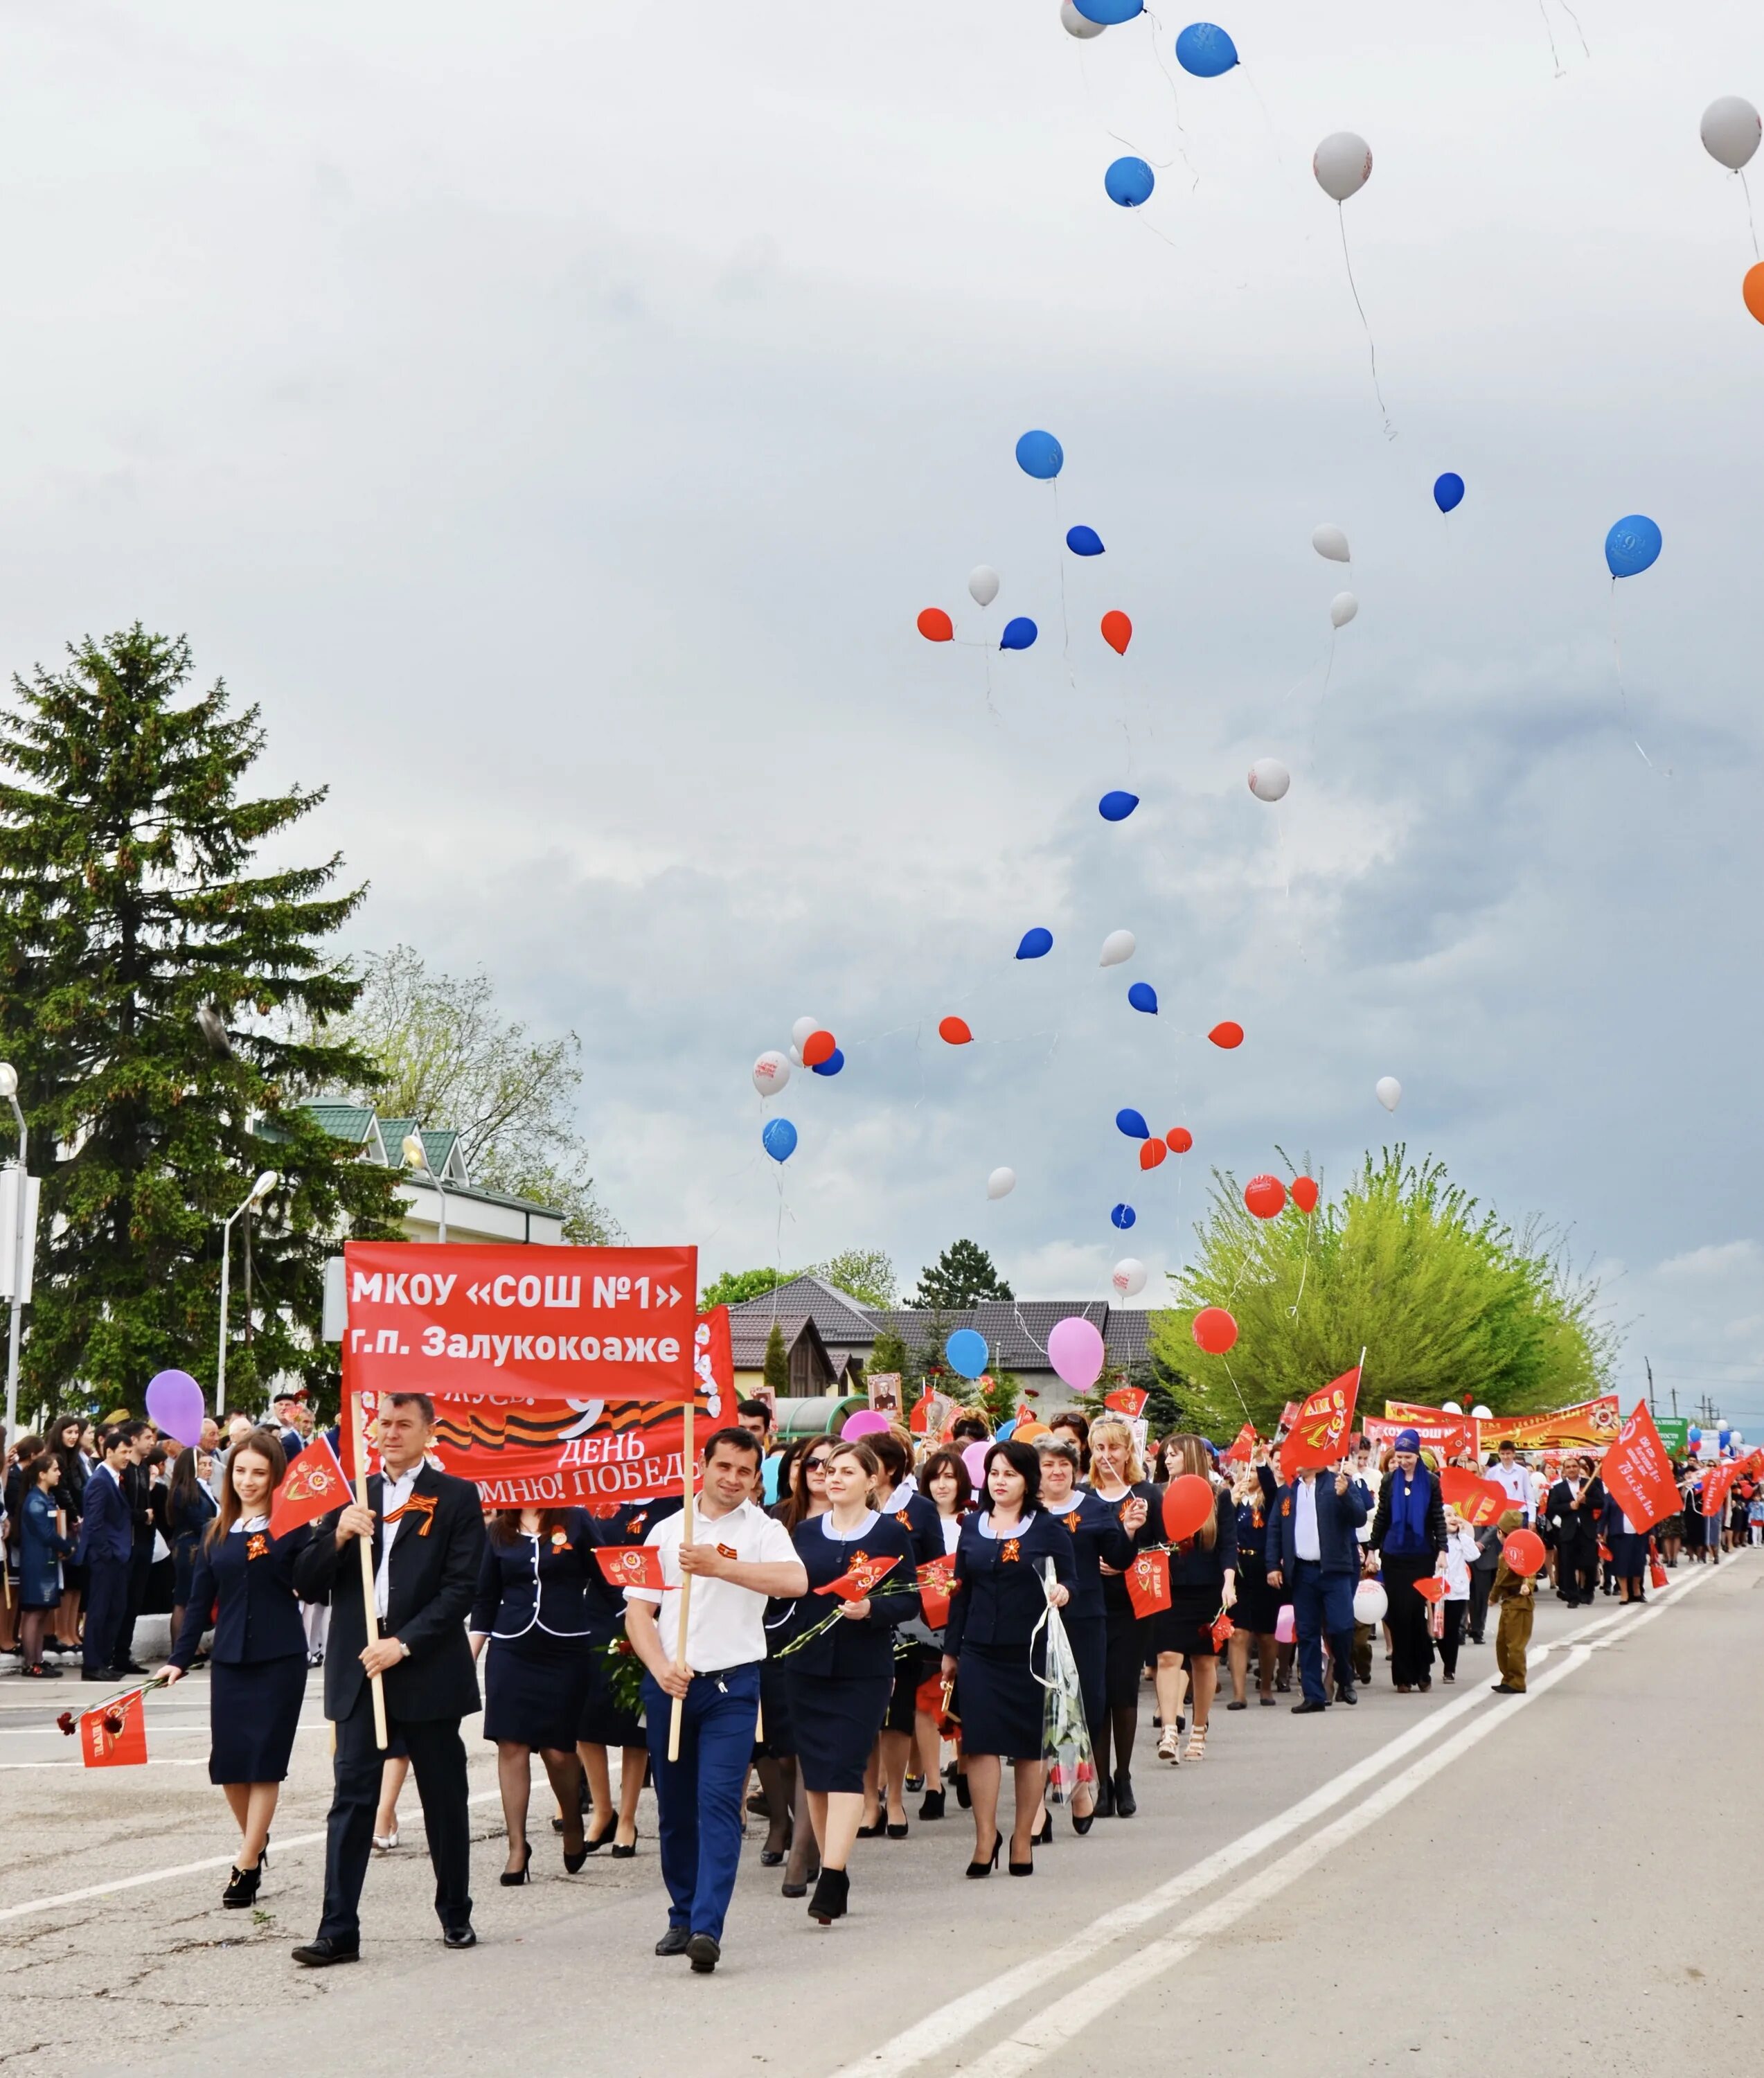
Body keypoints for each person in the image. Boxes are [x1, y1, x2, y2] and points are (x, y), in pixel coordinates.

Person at [290, 1391, 488, 1967]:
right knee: (350, 1801)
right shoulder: (353, 1494)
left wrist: (403, 1644)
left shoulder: (455, 1497)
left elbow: (460, 1589)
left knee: (443, 1799)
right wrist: (339, 1536)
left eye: (405, 1424)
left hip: (422, 1667)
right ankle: (338, 1930)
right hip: (359, 1674)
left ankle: (455, 1913)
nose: (392, 1433)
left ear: (430, 1432)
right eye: (384, 1423)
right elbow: (305, 1580)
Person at [624, 1426, 807, 1975]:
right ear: (702, 1466)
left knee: (718, 1804)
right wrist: (659, 1668)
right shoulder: (666, 1529)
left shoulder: (763, 1530)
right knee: (676, 1810)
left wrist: (720, 1565)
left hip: (733, 1687)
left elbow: (795, 1582)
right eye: (723, 1467)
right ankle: (681, 1914)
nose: (732, 1480)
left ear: (757, 1478)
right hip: (673, 1687)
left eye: (744, 1472)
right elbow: (638, 1614)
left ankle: (708, 1926)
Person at [161, 1429, 310, 1906]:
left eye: (259, 1473)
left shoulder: (292, 1529)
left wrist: (334, 1535)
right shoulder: (216, 1531)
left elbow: (311, 1580)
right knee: (228, 1765)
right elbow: (198, 1600)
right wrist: (178, 1660)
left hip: (280, 1657)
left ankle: (246, 1864)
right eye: (241, 1471)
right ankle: (257, 1839)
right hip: (228, 1660)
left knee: (263, 1762)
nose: (248, 1481)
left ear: (274, 1478)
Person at [782, 1438, 920, 1926]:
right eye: (825, 1469)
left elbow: (910, 1600)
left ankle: (833, 1874)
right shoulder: (804, 1533)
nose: (832, 1476)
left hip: (863, 1669)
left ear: (869, 1479)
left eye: (844, 1470)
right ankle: (830, 1866)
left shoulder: (888, 1533)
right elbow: (787, 1595)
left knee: (843, 1768)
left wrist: (871, 1609)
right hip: (806, 1668)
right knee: (817, 1775)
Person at [940, 1439, 1076, 1879]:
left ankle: (1021, 1836)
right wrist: (951, 1651)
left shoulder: (1047, 1528)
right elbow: (960, 1593)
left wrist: (1063, 1591)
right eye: (994, 1473)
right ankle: (985, 1837)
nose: (1000, 1481)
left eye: (1010, 1474)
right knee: (979, 1745)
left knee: (1027, 1748)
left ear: (1027, 1481)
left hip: (1030, 1653)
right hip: (979, 1650)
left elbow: (1072, 1578)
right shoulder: (973, 1526)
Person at [469, 1503, 598, 1882]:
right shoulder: (498, 1530)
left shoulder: (576, 1519)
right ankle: (516, 1847)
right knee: (511, 1745)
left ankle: (571, 1820)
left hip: (566, 1648)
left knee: (559, 1753)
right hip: (511, 1647)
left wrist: (633, 1630)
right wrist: (471, 1651)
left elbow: (605, 1577)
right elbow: (485, 1597)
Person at [1033, 1435, 1138, 1827]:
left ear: (1075, 1471)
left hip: (1084, 1620)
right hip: (1034, 1625)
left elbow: (1119, 1559)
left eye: (1064, 1464)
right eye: (1048, 1465)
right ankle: (1038, 1803)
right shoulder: (1024, 1512)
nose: (1057, 1472)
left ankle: (1079, 1788)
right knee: (1040, 1708)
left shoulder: (1093, 1509)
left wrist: (1127, 1532)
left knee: (1086, 1705)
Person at [579, 1495, 671, 1860]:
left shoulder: (669, 1502)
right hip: (595, 1613)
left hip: (648, 1612)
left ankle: (628, 1819)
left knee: (635, 1721)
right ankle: (603, 1810)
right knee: (586, 1717)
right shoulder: (597, 1498)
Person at [863, 1427, 941, 1839]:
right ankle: (867, 1802)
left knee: (896, 1717)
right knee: (865, 1720)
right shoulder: (850, 1508)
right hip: (856, 1620)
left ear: (889, 1468)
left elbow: (934, 1569)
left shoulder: (921, 1509)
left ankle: (893, 1799)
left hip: (905, 1625)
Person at [1083, 1416, 1159, 1814]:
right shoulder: (1083, 1497)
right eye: (1100, 1448)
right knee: (1096, 1695)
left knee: (1122, 1692)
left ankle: (1124, 1775)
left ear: (1128, 1450)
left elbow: (1168, 1551)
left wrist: (1128, 1561)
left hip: (1132, 1608)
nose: (1107, 1455)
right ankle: (1100, 1783)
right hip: (1090, 1608)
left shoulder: (1147, 1495)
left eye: (1114, 1447)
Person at [1150, 1434, 1236, 1762]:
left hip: (1207, 1589)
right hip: (1170, 1588)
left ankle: (1199, 1728)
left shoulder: (1218, 1497)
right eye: (1165, 1455)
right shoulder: (1157, 1495)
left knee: (1203, 1660)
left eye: (1173, 1455)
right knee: (1167, 1657)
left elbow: (1228, 1545)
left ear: (1191, 1457)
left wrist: (1229, 1583)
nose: (1167, 1460)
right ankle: (1169, 1729)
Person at [1264, 1453, 1368, 1713]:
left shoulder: (1338, 1483)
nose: (1296, 1459)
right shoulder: (1288, 1491)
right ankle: (1313, 1695)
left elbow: (1360, 1518)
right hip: (1303, 1572)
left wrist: (1345, 1495)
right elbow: (1275, 1529)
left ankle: (1345, 1676)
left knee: (1341, 1627)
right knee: (1307, 1633)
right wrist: (1273, 1566)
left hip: (1335, 1570)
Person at [912, 1446, 971, 1820]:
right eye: (935, 1476)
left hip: (966, 1618)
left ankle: (964, 1766)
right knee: (924, 1700)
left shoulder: (977, 1520)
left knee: (964, 1697)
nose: (942, 1484)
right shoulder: (917, 1518)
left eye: (950, 1476)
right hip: (926, 1620)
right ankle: (933, 1785)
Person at [1369, 1431, 1447, 1694]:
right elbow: (1382, 1516)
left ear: (1418, 1455)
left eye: (1408, 1457)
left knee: (1415, 1611)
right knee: (1399, 1615)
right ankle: (1402, 1675)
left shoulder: (1432, 1482)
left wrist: (1443, 1550)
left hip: (1422, 1555)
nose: (1403, 1461)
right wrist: (1371, 1549)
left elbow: (1438, 1517)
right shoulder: (1390, 1481)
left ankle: (1422, 1670)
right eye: (1399, 1457)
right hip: (1394, 1554)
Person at [73, 1428, 136, 1680]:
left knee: (115, 1609)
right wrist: (107, 1552)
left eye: (130, 1452)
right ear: (108, 1451)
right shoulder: (100, 1480)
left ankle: (104, 1660)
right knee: (99, 1610)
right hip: (106, 1557)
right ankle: (92, 1664)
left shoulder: (114, 1478)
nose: (127, 1457)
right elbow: (95, 1522)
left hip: (118, 1556)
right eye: (123, 1452)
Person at [1224, 1454, 1281, 1710]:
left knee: (1266, 1636)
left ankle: (1266, 1686)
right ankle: (1238, 1694)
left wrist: (1261, 1462)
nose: (1248, 1476)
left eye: (1253, 1472)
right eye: (1243, 1470)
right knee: (1238, 1634)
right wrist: (1232, 1502)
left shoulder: (1268, 1500)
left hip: (1263, 1568)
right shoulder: (1231, 1499)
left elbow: (1270, 1486)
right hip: (1237, 1569)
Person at [16, 1451, 74, 1677]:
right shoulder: (35, 1501)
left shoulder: (46, 1498)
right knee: (34, 1612)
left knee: (42, 1613)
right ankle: (30, 1663)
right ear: (42, 1474)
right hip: (36, 1564)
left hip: (46, 1562)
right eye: (55, 1470)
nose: (59, 1473)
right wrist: (66, 1546)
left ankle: (38, 1658)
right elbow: (46, 1533)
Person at [164, 1444, 220, 1651]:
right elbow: (198, 1520)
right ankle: (179, 1647)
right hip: (189, 1548)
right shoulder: (183, 1490)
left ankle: (190, 1645)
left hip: (199, 1545)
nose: (208, 1468)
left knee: (193, 1598)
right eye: (203, 1464)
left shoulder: (202, 1488)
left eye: (209, 1464)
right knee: (183, 1598)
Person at [114, 1420, 158, 1673]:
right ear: (133, 1440)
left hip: (144, 1542)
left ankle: (124, 1653)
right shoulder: (126, 1470)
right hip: (128, 1542)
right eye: (147, 1437)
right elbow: (122, 1509)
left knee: (135, 1602)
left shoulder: (144, 1469)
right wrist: (143, 1516)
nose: (152, 1442)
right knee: (122, 1600)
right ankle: (114, 1652)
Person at [48, 1417, 88, 1656]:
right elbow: (63, 1492)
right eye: (69, 1432)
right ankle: (62, 1632)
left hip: (81, 1524)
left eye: (76, 1432)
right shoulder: (57, 1457)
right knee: (69, 1582)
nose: (73, 1436)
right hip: (68, 1522)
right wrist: (76, 1516)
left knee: (78, 1584)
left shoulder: (77, 1460)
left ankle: (72, 1632)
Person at [1544, 1457, 1603, 1607]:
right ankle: (1572, 1596)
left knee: (1590, 1563)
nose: (1571, 1469)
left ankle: (1588, 1592)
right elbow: (1552, 1508)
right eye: (1568, 1467)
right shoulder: (1558, 1489)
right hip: (1568, 1531)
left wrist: (1585, 1502)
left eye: (1574, 1466)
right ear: (1564, 1470)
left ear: (1579, 1468)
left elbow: (1601, 1502)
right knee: (1568, 1565)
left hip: (1587, 1530)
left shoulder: (1588, 1485)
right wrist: (1569, 1506)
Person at [1488, 1511, 1535, 1694]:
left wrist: (1528, 1586)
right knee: (1502, 1644)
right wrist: (1494, 1597)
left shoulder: (1524, 1552)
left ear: (1500, 1532)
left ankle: (1517, 1681)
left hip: (1520, 1604)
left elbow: (1530, 1572)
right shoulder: (1505, 1554)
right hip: (1508, 1603)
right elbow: (1500, 1580)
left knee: (1515, 1645)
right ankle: (1508, 1677)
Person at [1434, 1508, 1479, 1683]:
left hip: (1458, 1591)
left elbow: (1473, 1555)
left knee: (1452, 1630)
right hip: (1438, 1591)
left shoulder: (1462, 1539)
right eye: (1447, 1515)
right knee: (1440, 1631)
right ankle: (1446, 1659)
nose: (1453, 1518)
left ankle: (1449, 1668)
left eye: (1454, 1515)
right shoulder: (1434, 1539)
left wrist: (1463, 1535)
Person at [1487, 1438, 1534, 1524]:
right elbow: (1488, 1495)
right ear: (1499, 1455)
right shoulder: (1492, 1472)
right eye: (1503, 1454)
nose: (1505, 1457)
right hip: (1500, 1514)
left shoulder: (1522, 1471)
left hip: (1520, 1513)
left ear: (1513, 1454)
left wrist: (1532, 1519)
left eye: (1508, 1454)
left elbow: (1529, 1495)